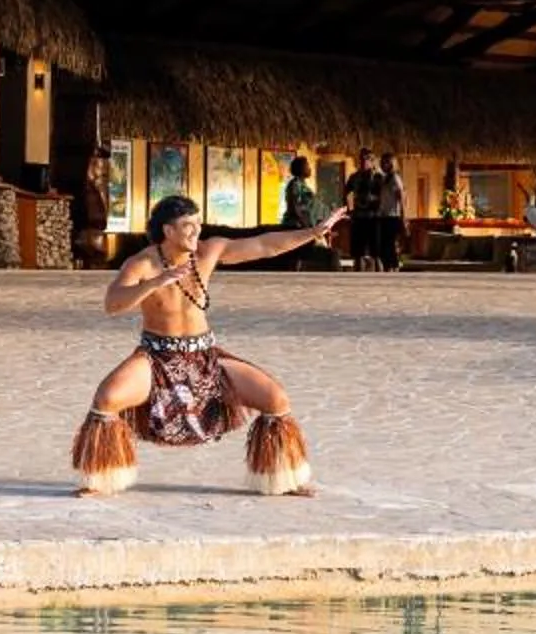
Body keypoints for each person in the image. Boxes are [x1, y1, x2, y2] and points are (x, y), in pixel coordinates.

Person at [71, 193, 345, 496]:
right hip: (157, 358)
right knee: (107, 398)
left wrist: (312, 233)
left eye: (198, 224)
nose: (196, 231)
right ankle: (102, 479)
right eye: (188, 225)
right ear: (168, 231)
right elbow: (112, 304)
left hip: (205, 357)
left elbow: (265, 245)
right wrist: (152, 284)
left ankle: (285, 478)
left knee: (276, 398)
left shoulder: (208, 252)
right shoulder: (141, 264)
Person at [279, 153, 332, 269]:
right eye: (307, 166)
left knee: (303, 257)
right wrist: (307, 227)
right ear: (300, 169)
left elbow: (311, 207)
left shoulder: (303, 185)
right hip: (296, 226)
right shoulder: (295, 185)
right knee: (298, 256)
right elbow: (296, 207)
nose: (309, 168)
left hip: (305, 226)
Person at [339, 154, 387, 271]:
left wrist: (375, 200)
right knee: (357, 253)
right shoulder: (354, 177)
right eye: (362, 160)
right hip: (358, 217)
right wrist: (350, 210)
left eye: (367, 160)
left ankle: (381, 280)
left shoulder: (378, 177)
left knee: (376, 253)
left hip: (374, 217)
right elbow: (346, 194)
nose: (364, 162)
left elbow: (386, 196)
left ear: (372, 161)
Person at [370, 152, 406, 272]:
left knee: (389, 245)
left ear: (392, 164)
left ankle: (394, 268)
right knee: (384, 246)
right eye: (383, 162)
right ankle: (388, 268)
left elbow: (401, 199)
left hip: (392, 216)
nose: (384, 164)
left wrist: (403, 217)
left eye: (386, 162)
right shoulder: (385, 179)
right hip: (383, 216)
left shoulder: (395, 179)